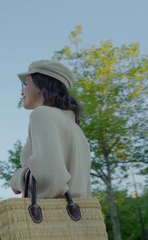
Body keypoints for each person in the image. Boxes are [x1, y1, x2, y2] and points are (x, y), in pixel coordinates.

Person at [10, 60, 91, 199]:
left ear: (42, 85)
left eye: (26, 84)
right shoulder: (75, 128)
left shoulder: (42, 115)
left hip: (55, 218)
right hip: (82, 217)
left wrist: (16, 180)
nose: (22, 92)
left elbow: (48, 181)